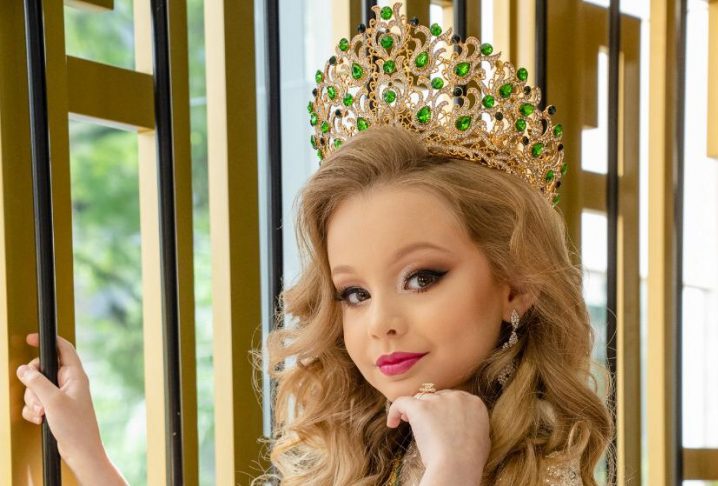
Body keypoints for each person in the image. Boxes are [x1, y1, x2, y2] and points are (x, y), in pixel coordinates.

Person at [17, 3, 613, 485]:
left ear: (517, 284)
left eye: (422, 278)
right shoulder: (357, 451)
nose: (380, 323)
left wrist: (455, 468)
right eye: (354, 293)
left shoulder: (547, 467)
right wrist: (86, 451)